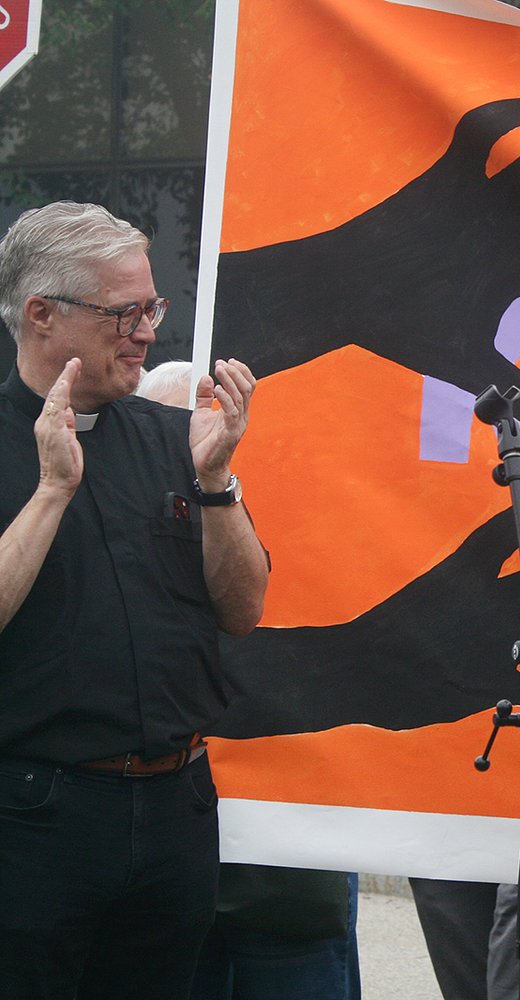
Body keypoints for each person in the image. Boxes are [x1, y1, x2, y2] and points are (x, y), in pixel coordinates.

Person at [0, 202, 269, 999]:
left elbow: (243, 609)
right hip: (36, 815)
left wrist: (216, 485)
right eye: (126, 313)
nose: (148, 333)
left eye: (151, 308)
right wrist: (53, 491)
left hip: (175, 804)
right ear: (42, 314)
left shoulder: (173, 436)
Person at [135, 361, 361, 1000]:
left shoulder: (285, 517)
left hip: (286, 869)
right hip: (167, 859)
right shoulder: (112, 519)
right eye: (159, 433)